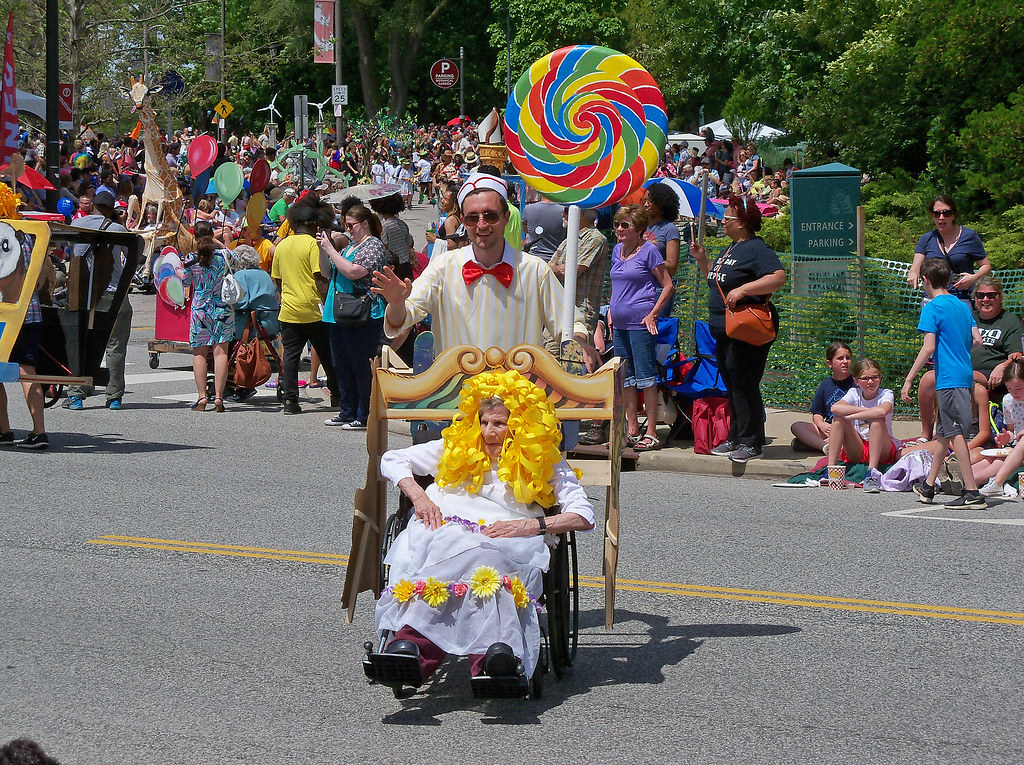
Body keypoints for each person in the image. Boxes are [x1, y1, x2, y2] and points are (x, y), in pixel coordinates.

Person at [374, 370, 595, 691]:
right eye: (484, 422)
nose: (489, 431)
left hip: (510, 536)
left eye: (500, 423)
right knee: (452, 548)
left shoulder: (545, 460)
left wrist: (530, 525)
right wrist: (419, 497)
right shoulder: (457, 447)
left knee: (487, 558)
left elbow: (583, 515)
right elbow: (392, 459)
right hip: (445, 527)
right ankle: (418, 652)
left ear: (521, 425)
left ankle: (486, 656)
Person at [371, 173, 598, 369]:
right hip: (456, 401)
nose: (481, 224)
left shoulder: (534, 269)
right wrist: (397, 303)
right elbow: (402, 319)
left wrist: (579, 341)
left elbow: (569, 324)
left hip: (518, 400)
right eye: (472, 218)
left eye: (490, 216)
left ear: (506, 217)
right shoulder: (443, 267)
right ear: (463, 221)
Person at [689, 195, 786, 462]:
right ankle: (735, 436)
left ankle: (751, 441)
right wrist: (703, 259)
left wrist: (744, 289)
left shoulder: (756, 248)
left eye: (727, 218)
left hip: (746, 330)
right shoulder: (730, 249)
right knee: (731, 384)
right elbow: (715, 278)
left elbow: (778, 276)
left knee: (745, 384)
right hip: (724, 330)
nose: (722, 222)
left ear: (742, 222)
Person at [902, 258, 986, 509]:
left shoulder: (932, 307)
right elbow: (978, 341)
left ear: (925, 280)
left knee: (955, 432)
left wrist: (909, 379)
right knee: (945, 431)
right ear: (949, 280)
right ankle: (928, 487)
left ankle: (972, 491)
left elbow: (928, 347)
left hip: (948, 378)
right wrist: (958, 350)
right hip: (965, 374)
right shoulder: (962, 306)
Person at [913, 276, 1024, 442]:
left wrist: (1003, 365)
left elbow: (1017, 355)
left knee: (951, 377)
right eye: (980, 296)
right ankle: (926, 434)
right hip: (961, 365)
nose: (985, 299)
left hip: (989, 373)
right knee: (928, 379)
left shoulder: (1009, 321)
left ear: (1000, 297)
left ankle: (955, 434)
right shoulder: (967, 315)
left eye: (991, 295)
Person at [608, 204, 674, 452]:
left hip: (640, 322)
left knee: (646, 376)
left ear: (639, 229)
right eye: (617, 224)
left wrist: (653, 314)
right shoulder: (617, 251)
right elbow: (617, 284)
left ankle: (652, 431)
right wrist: (611, 312)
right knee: (625, 377)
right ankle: (632, 428)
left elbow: (667, 285)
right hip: (621, 323)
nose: (619, 229)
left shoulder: (649, 252)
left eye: (625, 225)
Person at [318, 204, 387, 429]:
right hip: (341, 312)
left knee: (360, 364)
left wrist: (330, 250)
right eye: (346, 226)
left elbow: (354, 272)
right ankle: (347, 410)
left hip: (363, 313)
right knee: (341, 363)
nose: (348, 230)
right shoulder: (350, 246)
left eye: (351, 225)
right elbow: (328, 272)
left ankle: (363, 412)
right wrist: (323, 248)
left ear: (365, 224)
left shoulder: (373, 245)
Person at [271, 197, 340, 415]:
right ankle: (337, 394)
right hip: (313, 309)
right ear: (314, 224)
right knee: (328, 355)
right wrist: (329, 298)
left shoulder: (281, 246)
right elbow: (320, 277)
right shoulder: (312, 244)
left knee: (290, 356)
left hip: (289, 309)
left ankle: (291, 400)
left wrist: (284, 295)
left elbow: (277, 278)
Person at [65, 191, 132, 410]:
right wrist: (120, 223)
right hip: (114, 293)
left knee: (81, 342)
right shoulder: (118, 230)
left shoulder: (79, 223)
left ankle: (76, 393)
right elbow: (135, 255)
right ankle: (113, 396)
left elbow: (73, 254)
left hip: (85, 293)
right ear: (112, 209)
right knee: (115, 345)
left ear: (92, 205)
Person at [0, 229, 48, 449]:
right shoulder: (29, 235)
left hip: (5, 313)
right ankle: (38, 431)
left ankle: (5, 430)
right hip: (30, 312)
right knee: (28, 370)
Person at [181, 220, 234, 412]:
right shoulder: (224, 256)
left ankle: (202, 397)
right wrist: (219, 243)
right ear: (212, 235)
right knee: (221, 353)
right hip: (222, 308)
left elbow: (185, 280)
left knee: (199, 354)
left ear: (194, 236)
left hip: (200, 309)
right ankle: (219, 397)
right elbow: (235, 260)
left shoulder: (190, 259)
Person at [827, 358, 902, 493]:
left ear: (880, 378)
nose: (870, 382)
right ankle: (831, 469)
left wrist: (853, 415)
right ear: (856, 381)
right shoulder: (853, 393)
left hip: (883, 449)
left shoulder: (886, 393)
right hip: (859, 446)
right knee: (838, 419)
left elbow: (883, 410)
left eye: (875, 377)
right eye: (865, 378)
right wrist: (865, 412)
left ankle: (872, 473)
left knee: (877, 419)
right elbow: (835, 408)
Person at [905, 195, 991, 303]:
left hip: (961, 298)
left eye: (946, 213)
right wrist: (913, 274)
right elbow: (915, 268)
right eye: (936, 214)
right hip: (932, 299)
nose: (941, 218)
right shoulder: (926, 239)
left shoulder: (969, 236)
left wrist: (974, 277)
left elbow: (986, 265)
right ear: (932, 216)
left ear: (954, 215)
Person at [228, 244, 280, 403]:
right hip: (270, 322)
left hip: (253, 325)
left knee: (226, 341)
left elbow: (241, 303)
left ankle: (235, 381)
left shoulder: (241, 275)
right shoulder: (264, 273)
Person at [791, 341, 855, 453]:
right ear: (830, 363)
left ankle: (811, 444)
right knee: (796, 426)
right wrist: (822, 425)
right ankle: (825, 446)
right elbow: (817, 413)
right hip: (830, 428)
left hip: (851, 428)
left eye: (848, 358)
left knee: (800, 443)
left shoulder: (857, 383)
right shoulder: (825, 385)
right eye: (840, 358)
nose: (845, 362)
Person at [979, 360, 1024, 497]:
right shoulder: (1008, 400)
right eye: (1009, 388)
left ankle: (997, 482)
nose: (1014, 393)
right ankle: (960, 480)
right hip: (1016, 448)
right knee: (988, 463)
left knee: (1000, 463)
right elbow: (1012, 430)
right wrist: (1007, 436)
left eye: (1018, 388)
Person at [642, 182, 681, 317]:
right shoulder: (639, 228)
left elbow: (672, 266)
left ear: (661, 203)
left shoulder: (670, 229)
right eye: (644, 200)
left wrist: (645, 259)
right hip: (638, 288)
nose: (646, 204)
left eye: (651, 201)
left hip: (659, 290)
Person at [369, 191, 414, 281]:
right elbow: (409, 244)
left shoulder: (385, 226)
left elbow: (383, 246)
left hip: (393, 266)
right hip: (405, 264)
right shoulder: (402, 224)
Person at [521, 193, 566, 262]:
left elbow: (526, 229)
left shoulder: (529, 208)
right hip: (555, 260)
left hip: (534, 258)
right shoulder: (564, 210)